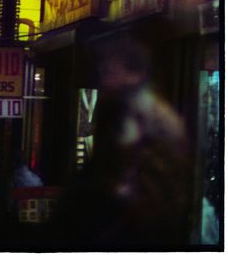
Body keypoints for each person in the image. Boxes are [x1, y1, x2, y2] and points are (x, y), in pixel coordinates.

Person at [51, 36, 193, 251]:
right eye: (104, 72)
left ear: (137, 74)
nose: (105, 80)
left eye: (111, 71)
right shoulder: (130, 109)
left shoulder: (139, 114)